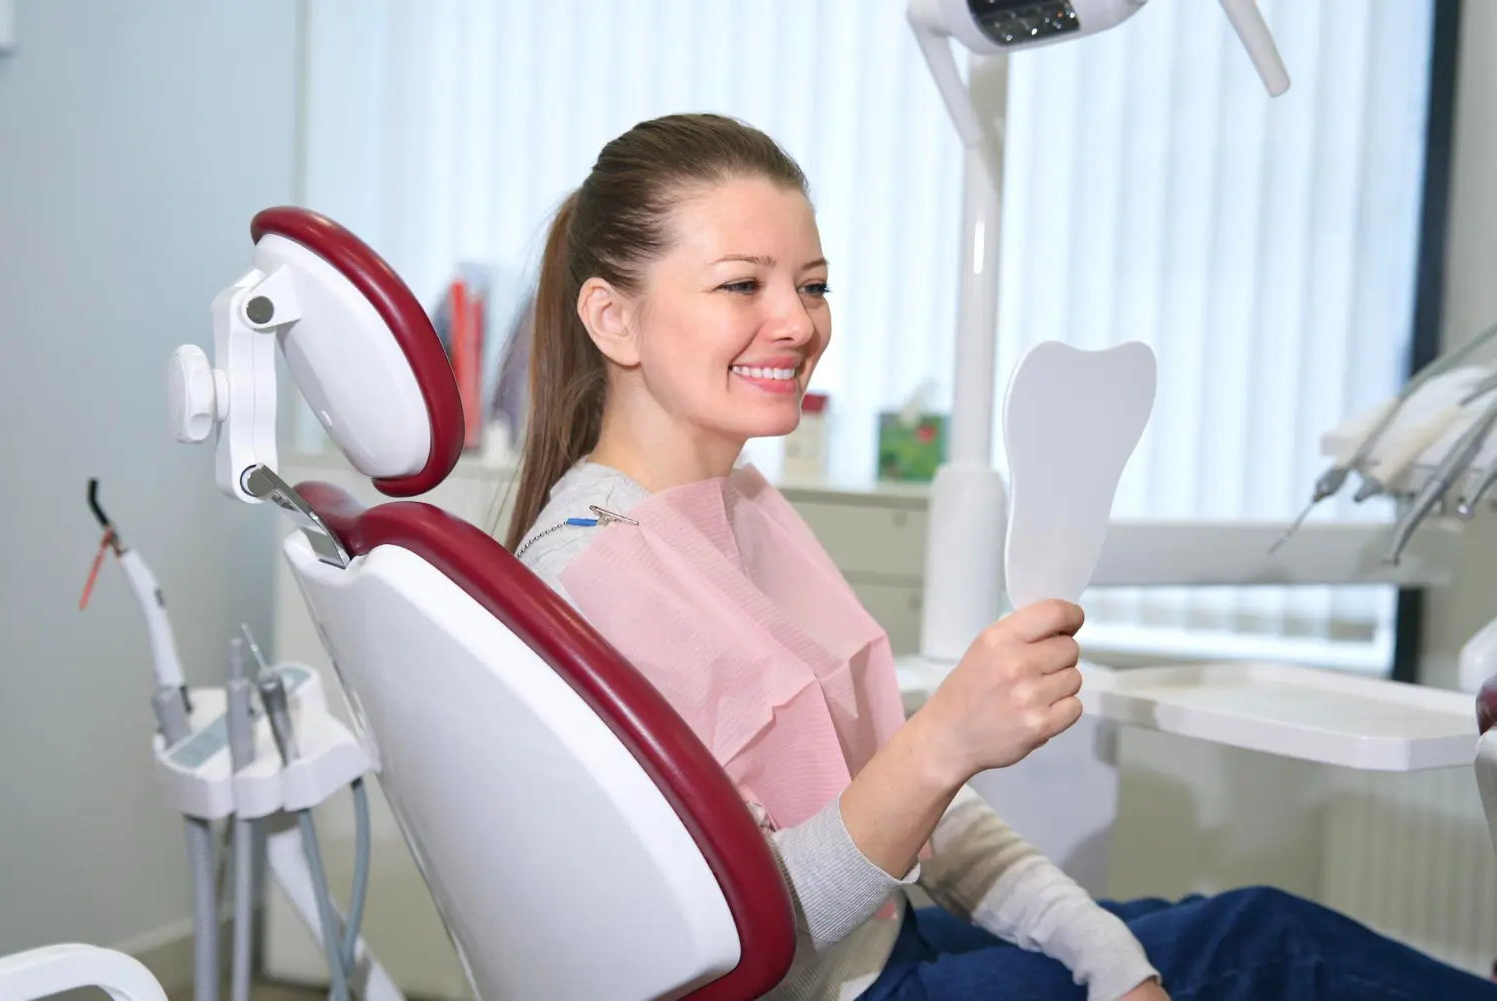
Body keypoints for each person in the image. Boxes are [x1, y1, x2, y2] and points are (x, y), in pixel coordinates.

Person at [501, 112, 1496, 1001]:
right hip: (826, 978)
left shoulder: (743, 503)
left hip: (884, 943)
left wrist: (1114, 960)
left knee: (1218, 923)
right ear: (612, 317)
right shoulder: (593, 575)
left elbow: (922, 809)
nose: (798, 322)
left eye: (812, 285)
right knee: (1268, 944)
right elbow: (744, 935)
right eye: (740, 284)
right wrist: (947, 739)